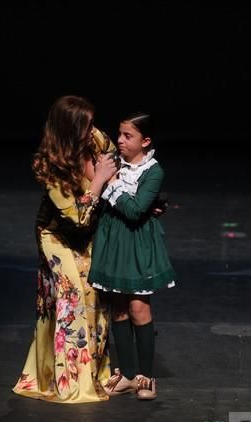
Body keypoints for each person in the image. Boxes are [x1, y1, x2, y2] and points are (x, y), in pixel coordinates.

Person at [11, 95, 119, 403]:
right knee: (71, 296)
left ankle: (95, 372)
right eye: (86, 126)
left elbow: (117, 163)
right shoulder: (53, 167)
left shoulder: (96, 139)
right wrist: (97, 181)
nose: (94, 130)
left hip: (89, 230)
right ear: (70, 131)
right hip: (57, 235)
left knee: (94, 292)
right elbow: (76, 218)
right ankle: (67, 380)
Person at [88, 112, 176, 401]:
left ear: (145, 141)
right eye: (120, 134)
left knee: (139, 307)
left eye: (128, 136)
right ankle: (126, 373)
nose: (121, 140)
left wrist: (111, 185)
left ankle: (146, 377)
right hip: (113, 240)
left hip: (137, 243)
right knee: (119, 308)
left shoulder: (153, 170)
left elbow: (135, 210)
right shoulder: (112, 162)